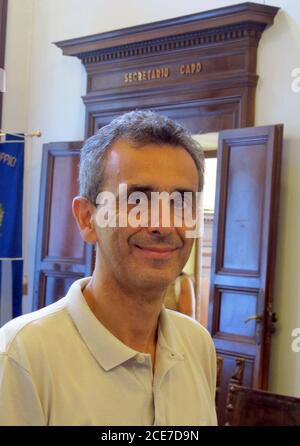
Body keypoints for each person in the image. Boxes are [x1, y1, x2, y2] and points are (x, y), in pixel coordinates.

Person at [0, 111, 217, 426]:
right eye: (137, 200)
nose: (163, 224)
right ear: (87, 219)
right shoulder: (21, 358)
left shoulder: (197, 345)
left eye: (180, 203)